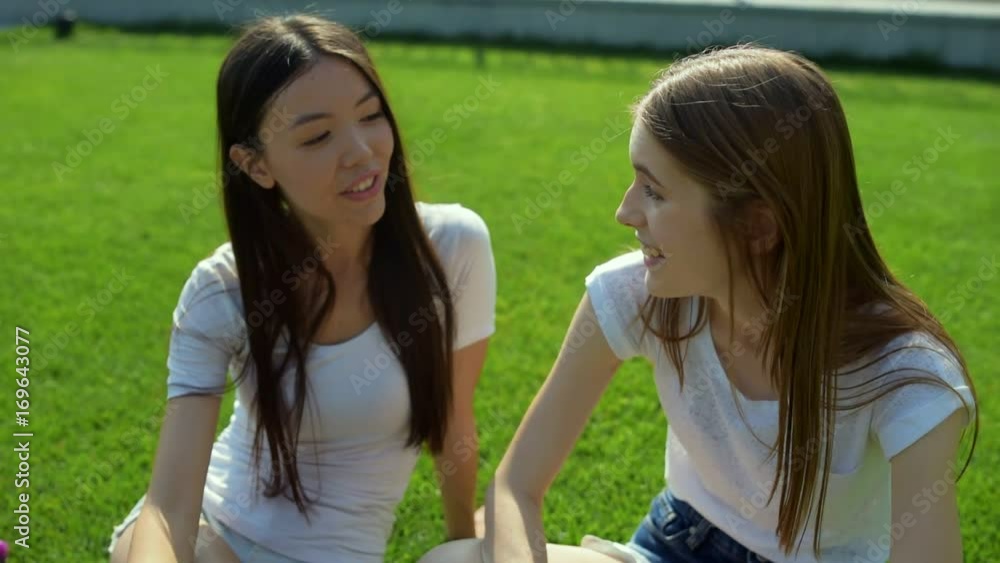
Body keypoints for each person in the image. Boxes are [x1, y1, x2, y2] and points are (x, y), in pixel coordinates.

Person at [421, 45, 977, 563]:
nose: (625, 213)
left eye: (654, 191)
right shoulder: (636, 294)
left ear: (759, 225)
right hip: (674, 544)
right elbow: (516, 485)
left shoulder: (907, 375)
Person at [108, 15, 496, 563]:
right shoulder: (223, 292)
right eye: (318, 136)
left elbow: (454, 420)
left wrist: (463, 543)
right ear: (256, 165)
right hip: (211, 535)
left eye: (371, 115)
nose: (361, 151)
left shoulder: (453, 247)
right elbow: (168, 507)